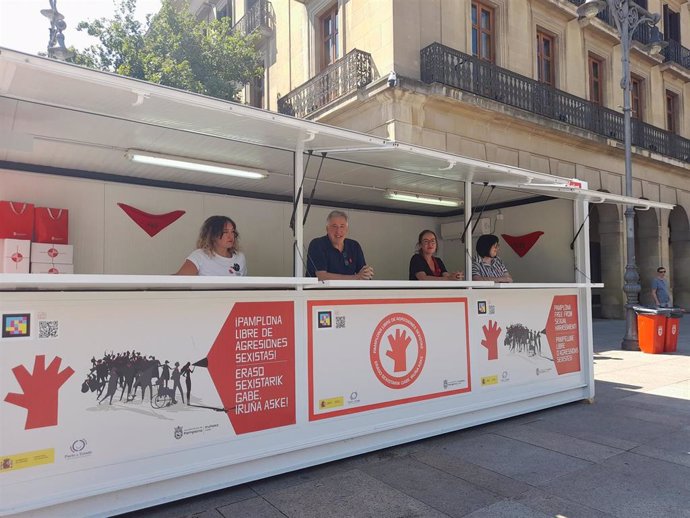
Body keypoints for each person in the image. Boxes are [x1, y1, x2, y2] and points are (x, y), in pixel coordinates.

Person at [307, 210, 374, 280]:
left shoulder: (354, 246)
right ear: (327, 229)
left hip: (350, 290)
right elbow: (321, 276)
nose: (338, 231)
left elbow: (362, 274)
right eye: (334, 226)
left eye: (342, 226)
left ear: (347, 229)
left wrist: (367, 273)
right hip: (321, 291)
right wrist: (355, 277)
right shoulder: (317, 244)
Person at [175, 216, 247, 276]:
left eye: (232, 231)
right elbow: (179, 280)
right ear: (212, 235)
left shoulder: (240, 257)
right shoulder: (199, 256)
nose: (230, 236)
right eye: (225, 232)